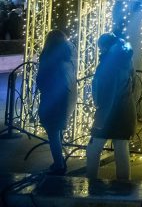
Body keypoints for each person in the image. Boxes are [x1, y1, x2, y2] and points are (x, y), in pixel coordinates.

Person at [86, 33, 136, 180]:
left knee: (93, 149)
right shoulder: (126, 60)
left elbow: (105, 90)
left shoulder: (109, 64)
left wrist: (99, 109)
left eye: (101, 48)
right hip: (125, 111)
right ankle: (124, 187)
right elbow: (134, 85)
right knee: (121, 150)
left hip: (108, 114)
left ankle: (91, 181)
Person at [36, 30, 76, 175]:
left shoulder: (49, 58)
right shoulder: (69, 58)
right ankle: (59, 161)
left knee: (53, 133)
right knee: (56, 131)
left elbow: (41, 80)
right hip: (67, 99)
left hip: (53, 100)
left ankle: (59, 165)